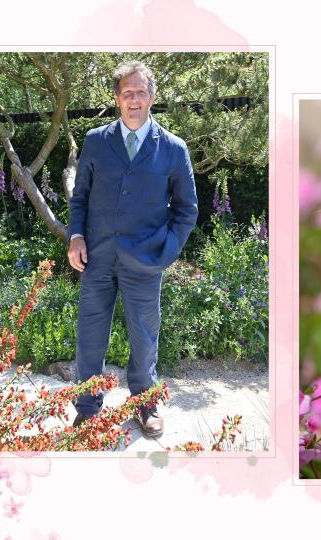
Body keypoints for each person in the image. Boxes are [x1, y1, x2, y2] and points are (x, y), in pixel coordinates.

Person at [67, 60, 198, 438]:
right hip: (97, 257)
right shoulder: (96, 140)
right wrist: (77, 236)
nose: (134, 99)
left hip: (145, 261)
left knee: (144, 335)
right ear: (117, 98)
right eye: (127, 92)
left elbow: (187, 210)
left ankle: (145, 405)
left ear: (152, 97)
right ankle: (87, 409)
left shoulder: (173, 149)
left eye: (141, 92)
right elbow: (81, 198)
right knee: (90, 334)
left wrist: (165, 253)